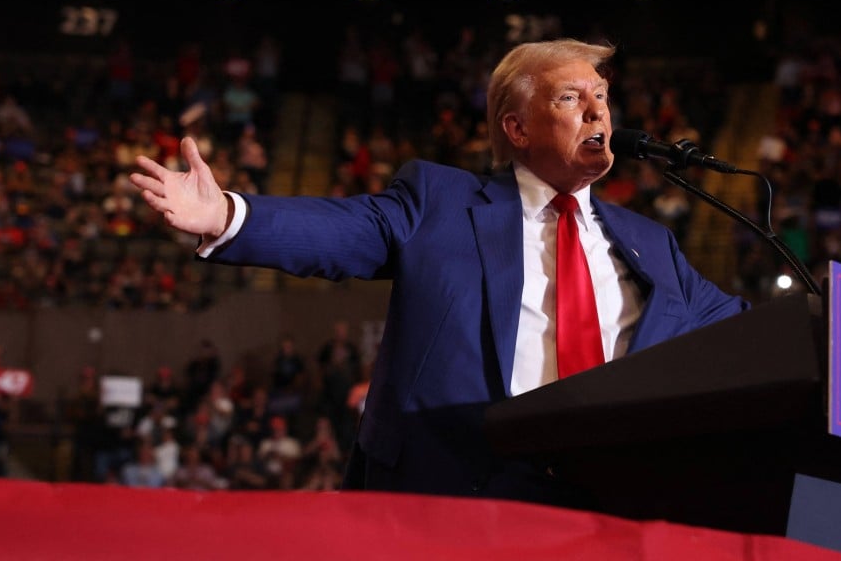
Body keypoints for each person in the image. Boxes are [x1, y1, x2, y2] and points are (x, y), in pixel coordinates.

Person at [130, 37, 748, 510]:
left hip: (609, 504)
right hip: (462, 498)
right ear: (516, 128)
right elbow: (343, 231)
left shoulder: (652, 245)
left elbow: (749, 334)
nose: (597, 112)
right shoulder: (441, 204)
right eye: (569, 98)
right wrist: (226, 214)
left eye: (602, 97)